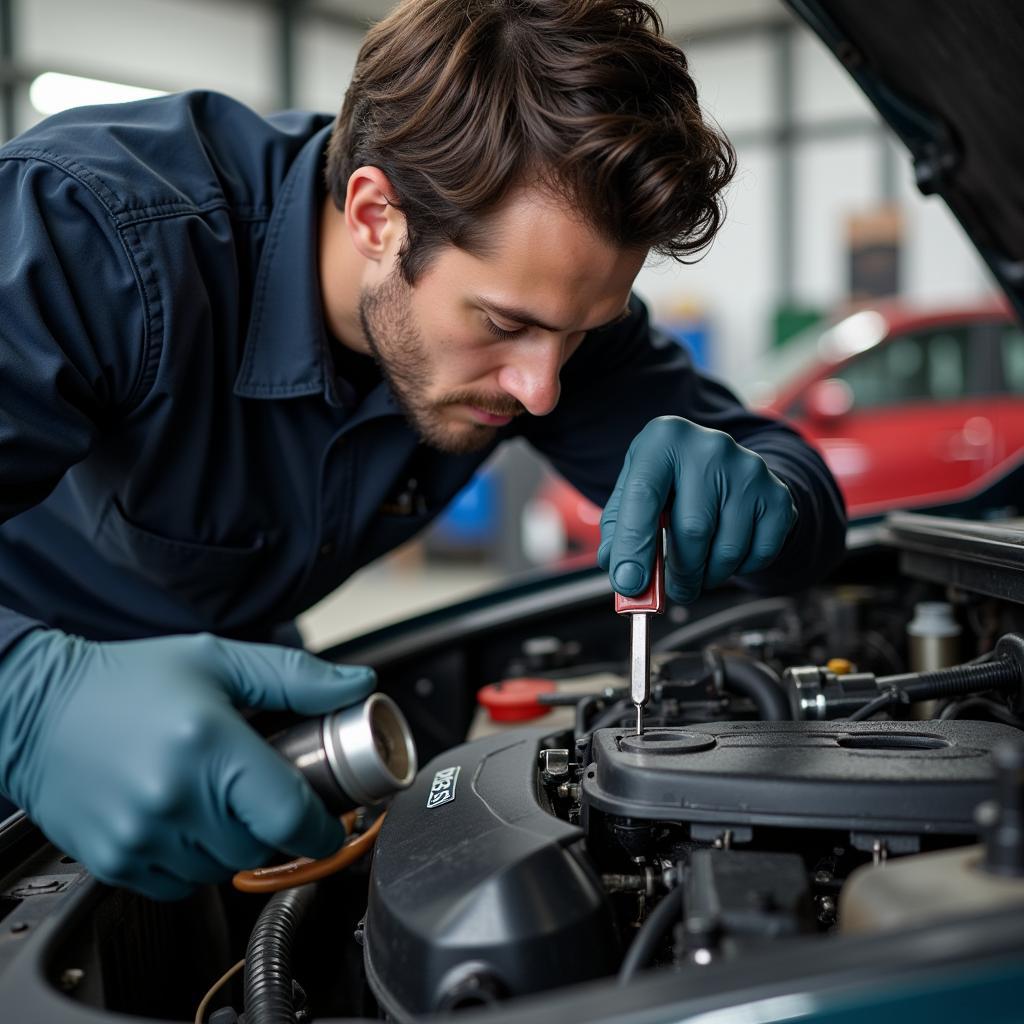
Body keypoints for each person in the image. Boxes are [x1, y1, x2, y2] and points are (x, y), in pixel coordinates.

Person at [0, 0, 845, 899]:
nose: (542, 389)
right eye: (505, 324)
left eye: (580, 335)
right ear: (376, 216)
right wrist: (28, 701)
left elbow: (797, 487)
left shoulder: (542, 304)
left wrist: (770, 500)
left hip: (226, 731)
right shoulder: (93, 232)